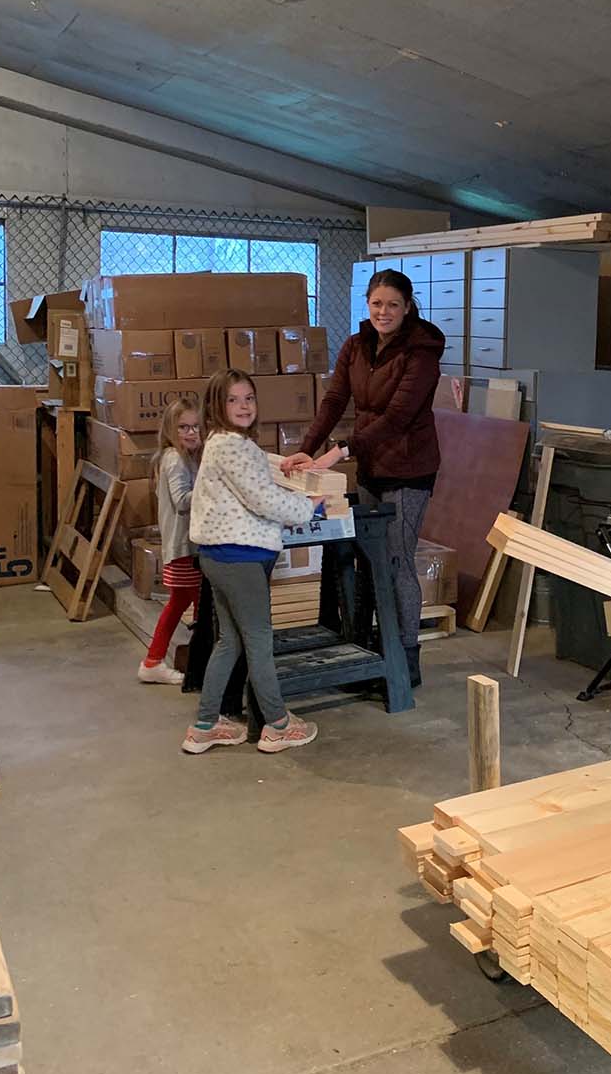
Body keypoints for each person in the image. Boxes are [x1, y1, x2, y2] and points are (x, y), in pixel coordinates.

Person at [282, 268, 444, 688]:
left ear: (407, 307)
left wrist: (339, 452)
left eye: (393, 305)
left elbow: (398, 417)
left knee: (397, 560)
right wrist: (308, 446)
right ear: (367, 305)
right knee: (369, 560)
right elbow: (335, 398)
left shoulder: (421, 351)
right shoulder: (357, 345)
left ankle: (407, 659)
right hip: (373, 464)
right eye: (377, 304)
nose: (384, 312)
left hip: (410, 468)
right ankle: (375, 648)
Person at [183, 369, 324, 755]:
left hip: (219, 556)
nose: (243, 406)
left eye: (249, 399)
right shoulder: (233, 447)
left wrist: (280, 465)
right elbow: (263, 499)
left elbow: (255, 466)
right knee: (259, 642)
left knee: (230, 642)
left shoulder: (223, 442)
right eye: (233, 400)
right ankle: (278, 725)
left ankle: (204, 726)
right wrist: (307, 508)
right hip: (240, 558)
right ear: (216, 406)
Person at [138, 399, 203, 686]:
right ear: (170, 430)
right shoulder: (175, 459)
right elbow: (182, 502)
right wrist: (211, 489)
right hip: (184, 548)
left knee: (178, 603)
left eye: (195, 427)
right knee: (201, 605)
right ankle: (202, 667)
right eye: (183, 427)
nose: (191, 432)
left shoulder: (183, 457)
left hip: (182, 547)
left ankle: (153, 661)